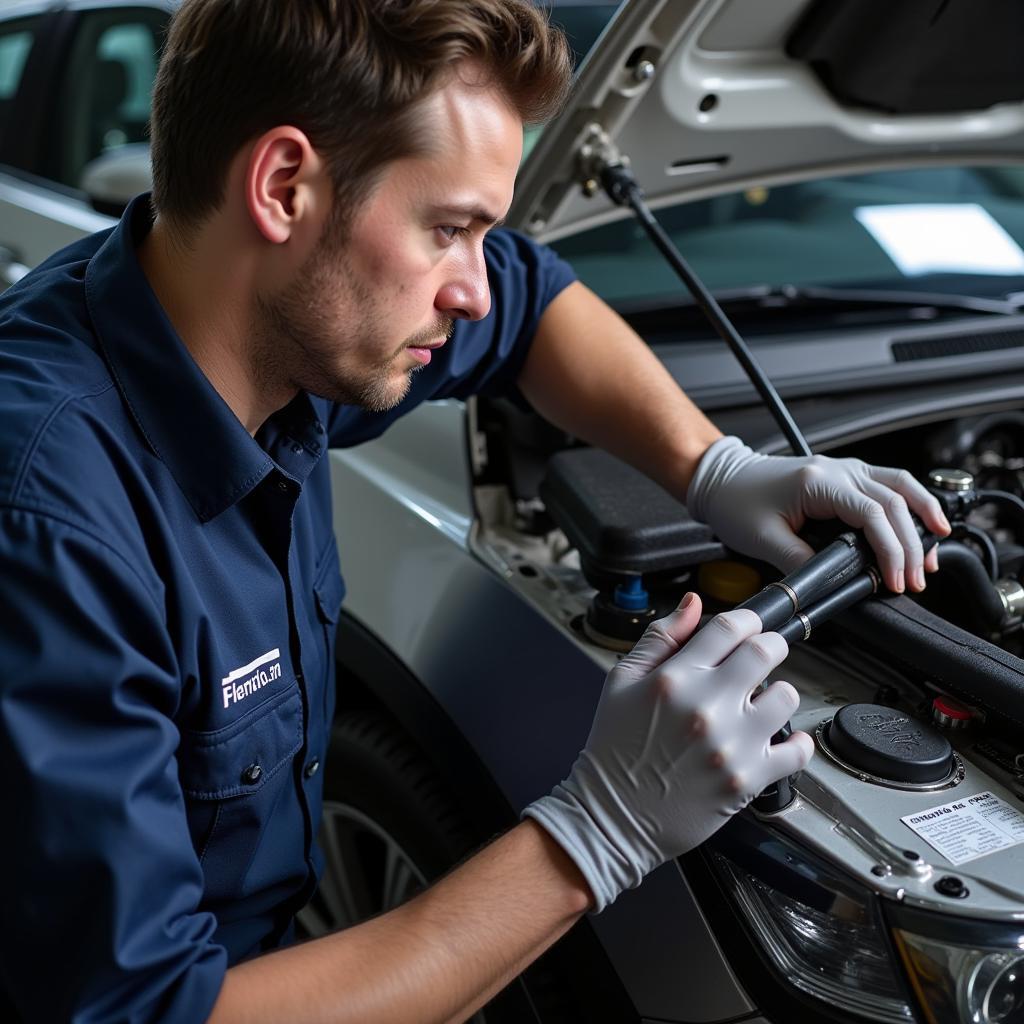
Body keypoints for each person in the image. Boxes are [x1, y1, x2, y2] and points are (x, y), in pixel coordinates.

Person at [0, 2, 950, 1021]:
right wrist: (598, 831)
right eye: (449, 229)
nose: (472, 290)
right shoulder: (51, 526)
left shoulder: (274, 328)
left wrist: (713, 465)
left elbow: (529, 303)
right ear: (283, 188)